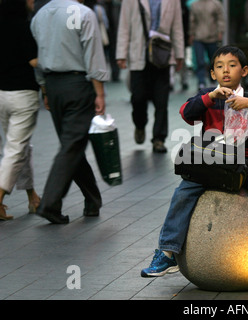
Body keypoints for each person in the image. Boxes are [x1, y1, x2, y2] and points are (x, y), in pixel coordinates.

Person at [140, 46, 248, 287]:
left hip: (245, 160)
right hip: (210, 160)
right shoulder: (207, 96)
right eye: (219, 66)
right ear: (213, 73)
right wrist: (211, 97)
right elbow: (186, 113)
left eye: (232, 65)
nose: (226, 70)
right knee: (183, 192)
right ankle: (167, 254)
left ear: (243, 71)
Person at [31, 0, 109, 224]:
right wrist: (100, 93)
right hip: (77, 85)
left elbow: (38, 54)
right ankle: (50, 203)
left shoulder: (40, 15)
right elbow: (93, 56)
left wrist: (44, 89)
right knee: (72, 145)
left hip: (53, 86)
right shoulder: (84, 13)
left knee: (71, 145)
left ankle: (92, 199)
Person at [116, 0, 184, 153]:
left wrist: (179, 54)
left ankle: (159, 139)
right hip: (138, 53)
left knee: (162, 101)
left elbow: (177, 27)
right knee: (138, 97)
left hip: (162, 54)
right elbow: (124, 25)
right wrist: (121, 53)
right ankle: (140, 125)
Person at [0, 0, 41, 221]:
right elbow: (34, 61)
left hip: (2, 94)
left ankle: (32, 197)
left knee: (21, 147)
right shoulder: (23, 27)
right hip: (23, 95)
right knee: (16, 149)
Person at [189, 0, 224, 91]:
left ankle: (212, 79)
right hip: (198, 37)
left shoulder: (215, 4)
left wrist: (220, 32)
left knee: (213, 60)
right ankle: (201, 81)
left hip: (212, 36)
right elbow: (192, 21)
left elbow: (220, 19)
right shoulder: (194, 5)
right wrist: (191, 34)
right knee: (200, 60)